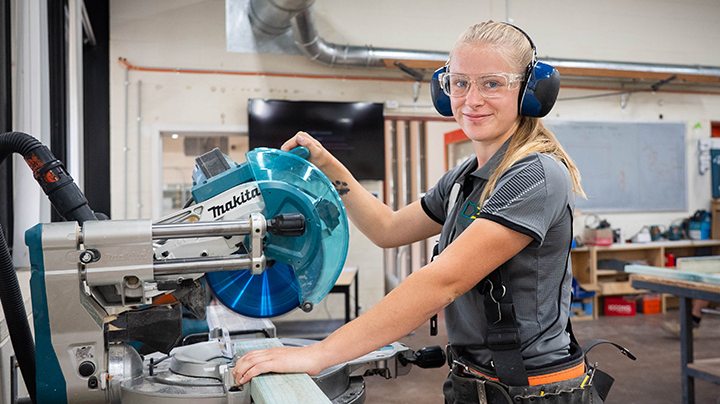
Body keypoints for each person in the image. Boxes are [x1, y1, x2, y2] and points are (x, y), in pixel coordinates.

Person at [233, 21, 591, 402]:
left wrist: (319, 354)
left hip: (535, 390)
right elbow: (387, 228)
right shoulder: (462, 179)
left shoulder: (537, 175)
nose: (471, 99)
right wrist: (328, 166)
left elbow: (442, 282)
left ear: (531, 90)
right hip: (477, 381)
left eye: (492, 83)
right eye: (459, 82)